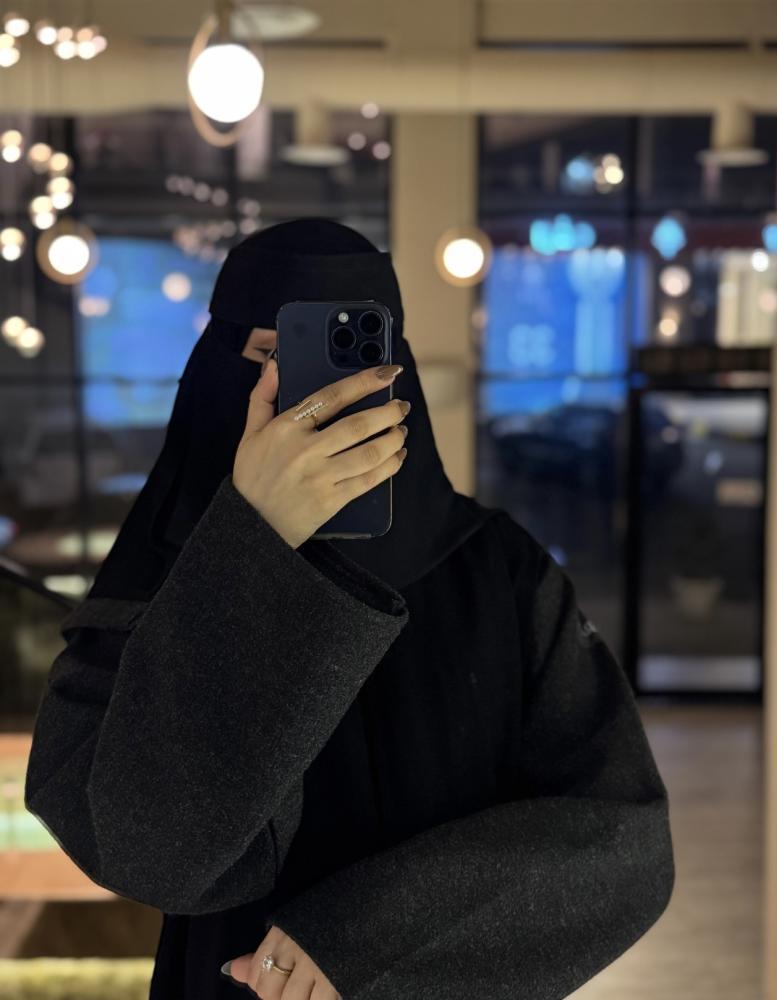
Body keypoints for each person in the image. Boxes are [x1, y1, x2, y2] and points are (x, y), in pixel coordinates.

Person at [24, 218, 675, 1000]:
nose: (308, 397)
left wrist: (364, 940)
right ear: (214, 368)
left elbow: (622, 838)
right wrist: (250, 542)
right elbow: (152, 855)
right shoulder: (158, 571)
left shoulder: (498, 569)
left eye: (348, 359)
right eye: (271, 358)